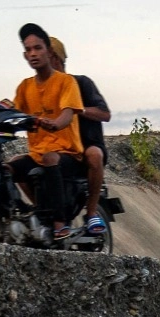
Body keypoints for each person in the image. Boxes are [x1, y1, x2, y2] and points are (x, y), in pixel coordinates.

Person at [0, 23, 82, 239]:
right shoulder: (25, 87)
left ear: (49, 51)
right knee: (9, 167)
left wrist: (55, 123)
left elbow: (67, 113)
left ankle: (60, 222)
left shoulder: (66, 82)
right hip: (38, 154)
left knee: (50, 158)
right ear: (25, 55)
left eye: (38, 48)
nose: (33, 54)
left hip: (68, 152)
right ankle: (26, 212)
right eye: (28, 50)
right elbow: (13, 113)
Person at [57, 47, 112, 236]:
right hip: (61, 148)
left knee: (94, 155)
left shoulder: (82, 83)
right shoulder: (41, 90)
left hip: (87, 145)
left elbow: (105, 114)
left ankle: (91, 213)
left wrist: (78, 110)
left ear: (57, 60)